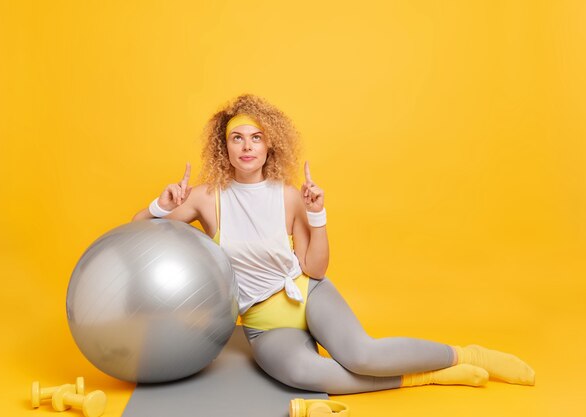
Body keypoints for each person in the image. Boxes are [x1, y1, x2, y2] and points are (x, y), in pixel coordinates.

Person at [132, 94, 535, 394]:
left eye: (257, 137)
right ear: (225, 147)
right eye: (237, 138)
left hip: (309, 294)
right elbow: (134, 233)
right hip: (263, 322)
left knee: (363, 356)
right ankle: (427, 376)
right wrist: (159, 205)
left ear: (270, 145)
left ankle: (469, 355)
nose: (248, 146)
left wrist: (318, 216)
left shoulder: (288, 195)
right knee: (308, 376)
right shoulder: (205, 197)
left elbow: (316, 269)